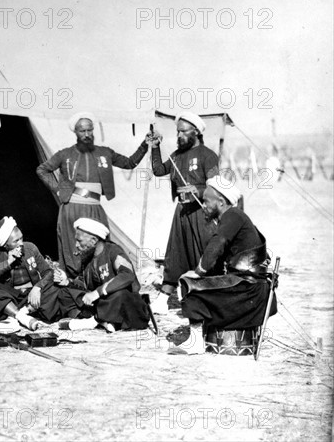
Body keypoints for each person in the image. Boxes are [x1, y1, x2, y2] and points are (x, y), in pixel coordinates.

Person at [170, 177, 277, 355]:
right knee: (199, 283)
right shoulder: (235, 218)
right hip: (249, 289)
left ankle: (196, 342)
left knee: (190, 284)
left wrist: (199, 272)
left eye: (206, 201)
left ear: (220, 202)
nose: (203, 205)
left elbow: (217, 244)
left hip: (249, 292)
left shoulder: (233, 216)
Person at [36, 111, 149, 277]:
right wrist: (58, 188)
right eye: (82, 131)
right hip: (72, 209)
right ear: (75, 132)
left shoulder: (104, 153)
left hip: (94, 209)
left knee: (99, 246)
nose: (87, 134)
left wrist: (145, 144)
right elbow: (42, 169)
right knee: (74, 247)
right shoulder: (65, 154)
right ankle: (74, 284)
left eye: (90, 130)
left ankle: (98, 280)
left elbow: (130, 163)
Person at [148, 112, 219, 314]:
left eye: (183, 131)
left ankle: (209, 298)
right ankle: (162, 300)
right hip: (181, 212)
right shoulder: (177, 156)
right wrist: (155, 147)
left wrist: (198, 190)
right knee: (175, 254)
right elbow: (158, 170)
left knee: (203, 254)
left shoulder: (208, 155)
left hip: (201, 212)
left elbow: (216, 186)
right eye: (177, 131)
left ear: (195, 132)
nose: (178, 136)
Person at [54, 218, 150, 332]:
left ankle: (93, 321)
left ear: (94, 240)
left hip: (124, 303)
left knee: (120, 294)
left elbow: (127, 275)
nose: (76, 245)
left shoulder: (114, 251)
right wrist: (67, 282)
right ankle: (103, 320)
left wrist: (97, 292)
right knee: (65, 292)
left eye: (79, 241)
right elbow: (84, 283)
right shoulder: (87, 257)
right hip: (102, 303)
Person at [0, 216, 61, 330]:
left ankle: (23, 312)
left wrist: (37, 287)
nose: (21, 243)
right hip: (11, 298)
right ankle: (21, 316)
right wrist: (8, 262)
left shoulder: (30, 248)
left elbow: (48, 272)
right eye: (16, 241)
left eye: (21, 238)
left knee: (56, 287)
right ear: (5, 245)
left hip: (31, 296)